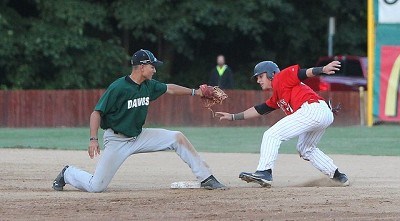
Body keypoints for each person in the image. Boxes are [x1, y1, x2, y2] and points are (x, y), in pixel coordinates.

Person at [52, 49, 226, 192]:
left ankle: (206, 178)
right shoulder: (119, 87)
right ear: (141, 67)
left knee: (177, 137)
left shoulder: (148, 85)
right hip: (117, 140)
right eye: (152, 66)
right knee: (96, 186)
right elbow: (96, 113)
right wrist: (93, 139)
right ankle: (68, 173)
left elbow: (170, 88)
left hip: (139, 137)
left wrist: (196, 92)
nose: (155, 70)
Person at [216, 60, 350, 187]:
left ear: (271, 74)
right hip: (322, 112)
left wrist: (323, 69)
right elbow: (260, 109)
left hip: (312, 109)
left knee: (271, 135)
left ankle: (264, 172)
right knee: (305, 149)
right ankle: (338, 176)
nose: (258, 80)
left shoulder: (281, 77)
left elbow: (302, 73)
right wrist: (233, 117)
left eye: (261, 76)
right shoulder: (278, 95)